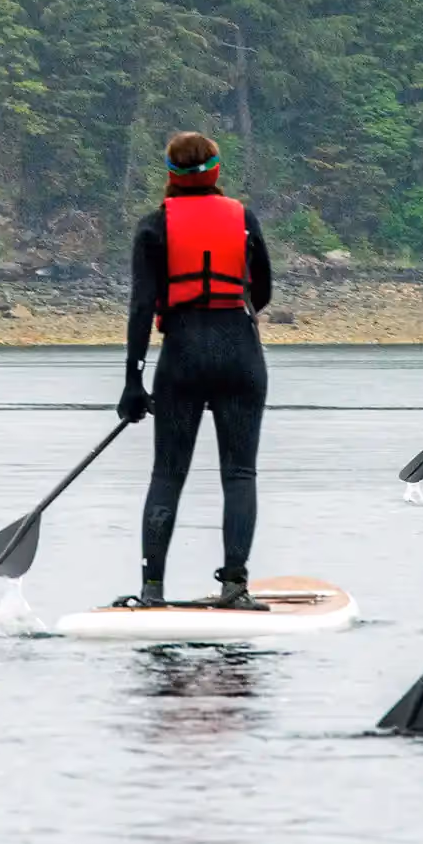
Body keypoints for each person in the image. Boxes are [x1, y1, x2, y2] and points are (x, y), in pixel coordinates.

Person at [118, 131, 274, 608]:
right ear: (216, 171)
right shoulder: (243, 219)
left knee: (167, 475)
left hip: (181, 357)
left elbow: (142, 309)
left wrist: (133, 381)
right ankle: (234, 585)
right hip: (240, 355)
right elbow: (262, 291)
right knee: (240, 475)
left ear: (170, 173)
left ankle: (152, 591)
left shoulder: (153, 226)